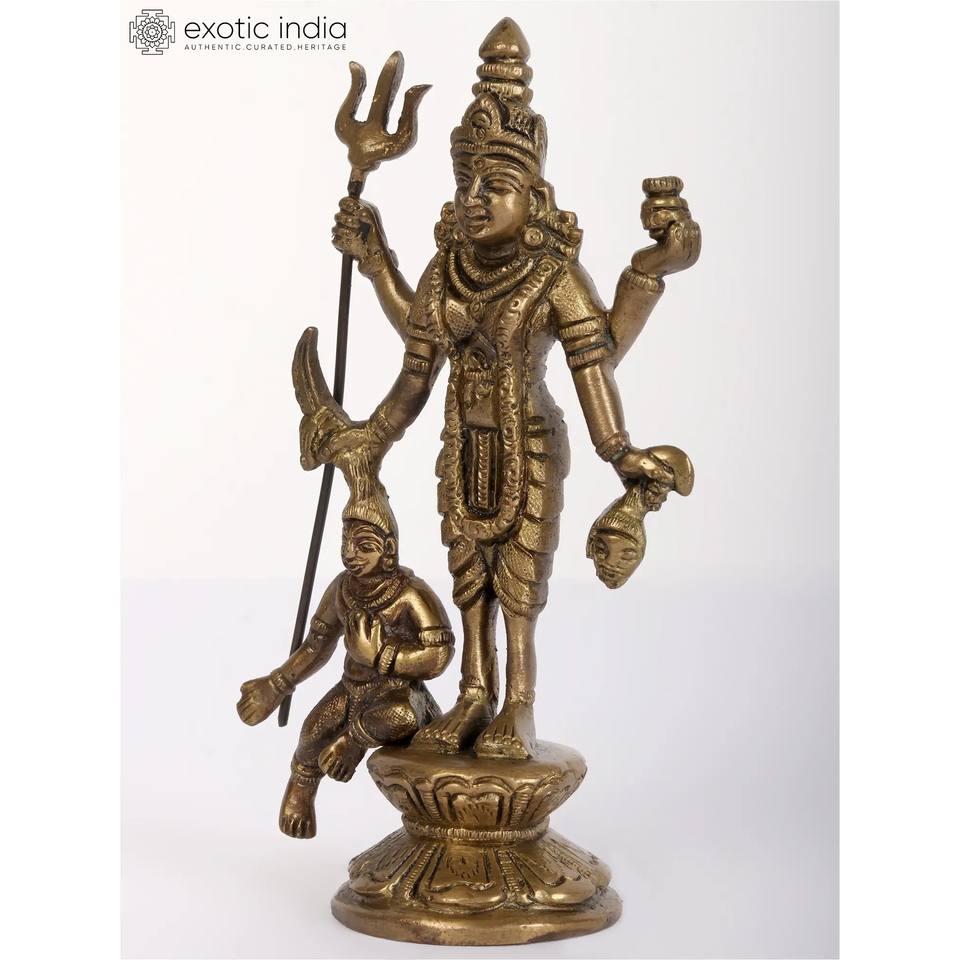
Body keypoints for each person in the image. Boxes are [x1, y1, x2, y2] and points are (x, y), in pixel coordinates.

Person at [330, 18, 701, 759]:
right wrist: (372, 427)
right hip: (461, 445)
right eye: (465, 183)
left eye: (495, 184)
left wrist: (619, 446)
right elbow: (416, 362)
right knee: (469, 579)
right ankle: (474, 691)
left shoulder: (552, 276)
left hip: (528, 445)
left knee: (519, 582)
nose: (475, 198)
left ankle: (518, 702)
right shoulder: (447, 271)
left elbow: (596, 357)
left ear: (536, 198)